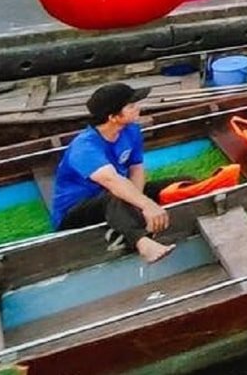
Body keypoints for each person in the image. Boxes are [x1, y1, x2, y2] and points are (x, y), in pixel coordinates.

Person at [51, 83, 174, 262]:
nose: (138, 108)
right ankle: (142, 243)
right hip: (76, 212)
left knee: (177, 183)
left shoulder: (131, 130)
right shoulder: (84, 147)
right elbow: (112, 181)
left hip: (116, 196)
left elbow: (136, 168)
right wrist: (147, 206)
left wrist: (137, 204)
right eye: (131, 106)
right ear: (113, 117)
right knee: (114, 197)